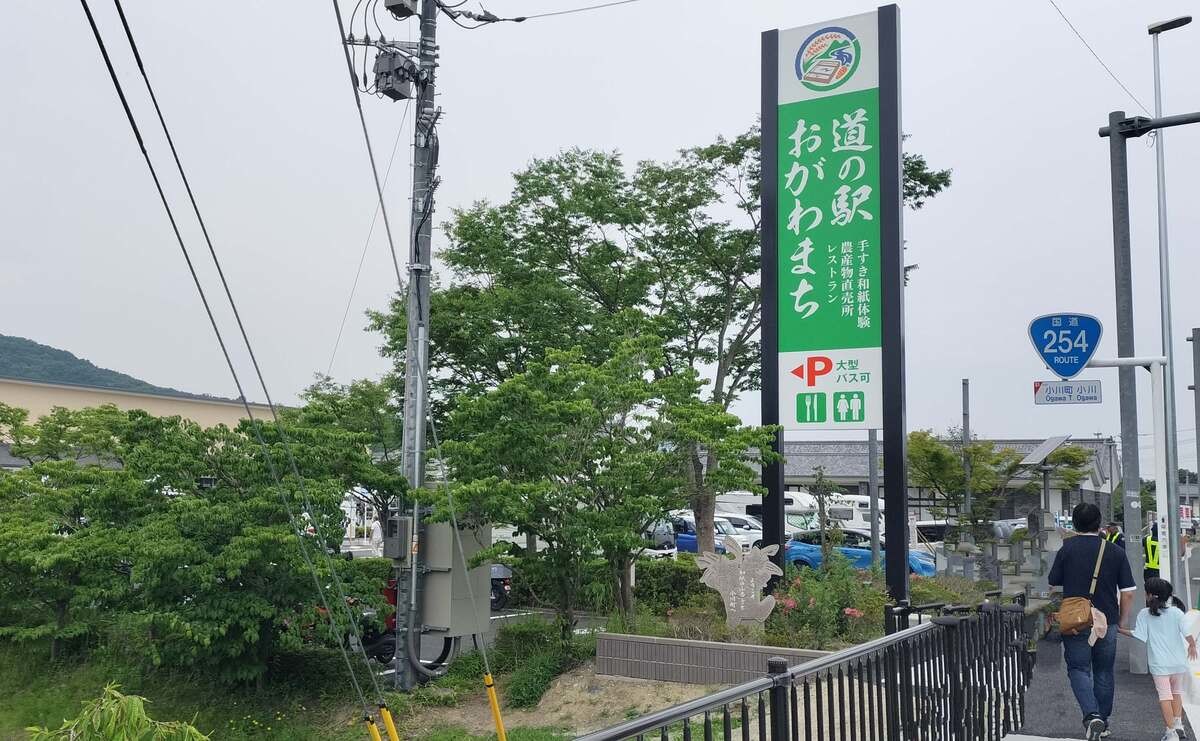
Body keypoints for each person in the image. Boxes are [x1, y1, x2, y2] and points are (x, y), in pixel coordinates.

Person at [1049, 502, 1137, 741]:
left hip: (1077, 619)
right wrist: (1121, 620)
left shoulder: (1067, 549)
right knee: (1104, 671)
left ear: (1075, 523)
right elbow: (1128, 592)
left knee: (1078, 668)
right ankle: (1103, 722)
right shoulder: (1115, 551)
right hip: (1107, 621)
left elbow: (1053, 582)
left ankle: (1092, 715)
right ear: (1099, 524)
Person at [1118, 577, 1198, 741]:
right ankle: (1178, 725)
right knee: (1176, 693)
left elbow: (1139, 635)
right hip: (1178, 663)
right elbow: (1187, 632)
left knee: (1164, 697)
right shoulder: (1176, 612)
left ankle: (1171, 733)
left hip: (1159, 665)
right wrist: (1192, 645)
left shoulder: (1144, 614)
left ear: (1149, 595)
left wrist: (1120, 630)